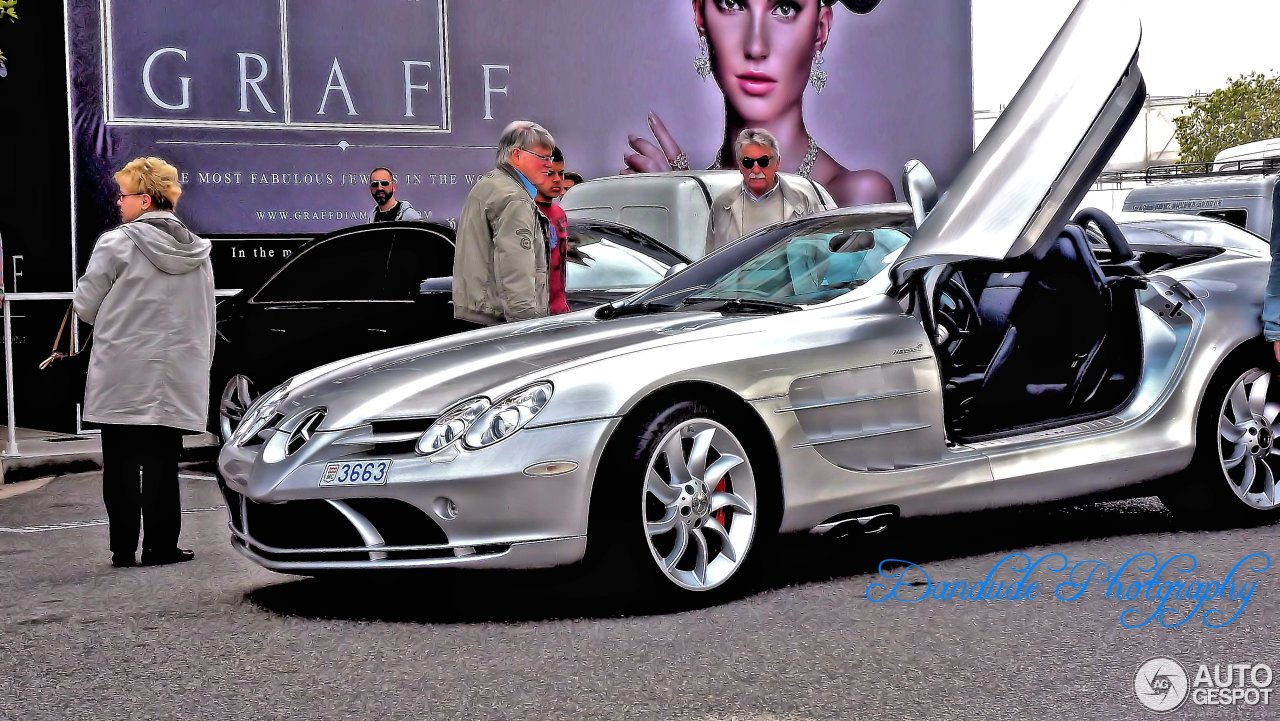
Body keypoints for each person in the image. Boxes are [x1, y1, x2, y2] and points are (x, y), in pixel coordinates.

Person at [73, 157, 215, 568]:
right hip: (173, 375)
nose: (120, 202)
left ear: (147, 200)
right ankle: (160, 546)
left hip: (122, 372)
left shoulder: (116, 244)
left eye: (126, 194)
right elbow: (206, 318)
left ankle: (122, 548)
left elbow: (85, 306)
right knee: (162, 464)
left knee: (119, 463)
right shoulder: (197, 251)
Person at [622, 0, 895, 207]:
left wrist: (692, 217)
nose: (755, 46)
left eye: (785, 9)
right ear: (700, 13)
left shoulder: (854, 198)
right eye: (732, 3)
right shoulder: (683, 197)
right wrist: (681, 208)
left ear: (819, 31)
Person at [452, 121, 555, 325]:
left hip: (478, 315)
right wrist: (527, 326)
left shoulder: (489, 185)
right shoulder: (514, 198)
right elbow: (516, 269)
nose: (549, 165)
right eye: (543, 157)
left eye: (550, 158)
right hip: (503, 323)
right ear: (517, 155)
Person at [706, 128, 825, 254]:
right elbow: (708, 263)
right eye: (748, 163)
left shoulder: (804, 201)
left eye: (763, 162)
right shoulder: (722, 204)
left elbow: (822, 257)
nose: (756, 170)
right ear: (740, 165)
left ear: (777, 162)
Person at [535, 148, 571, 315]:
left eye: (561, 173)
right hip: (535, 315)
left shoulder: (559, 213)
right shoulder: (523, 212)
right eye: (550, 174)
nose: (557, 180)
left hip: (560, 311)